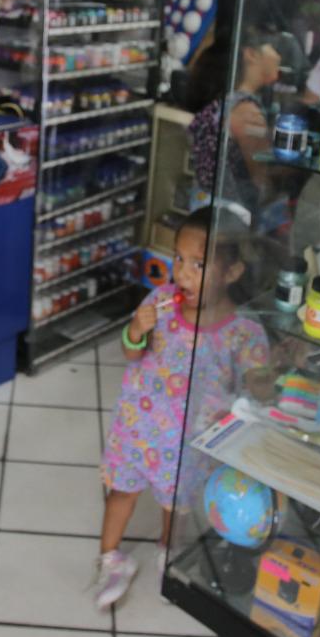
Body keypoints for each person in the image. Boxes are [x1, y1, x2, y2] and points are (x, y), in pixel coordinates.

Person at [94, 208, 270, 610]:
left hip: (187, 445)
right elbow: (129, 350)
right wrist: (136, 329)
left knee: (178, 507)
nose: (183, 274)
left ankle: (168, 554)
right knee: (121, 492)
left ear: (232, 273)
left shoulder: (243, 331)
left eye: (198, 264)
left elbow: (258, 385)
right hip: (137, 431)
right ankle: (110, 559)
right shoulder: (159, 302)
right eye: (178, 259)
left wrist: (269, 374)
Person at [185, 34, 281, 214]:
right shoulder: (246, 111)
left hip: (204, 206)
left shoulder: (223, 102)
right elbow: (261, 176)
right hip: (230, 215)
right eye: (273, 46)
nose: (278, 55)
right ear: (251, 54)